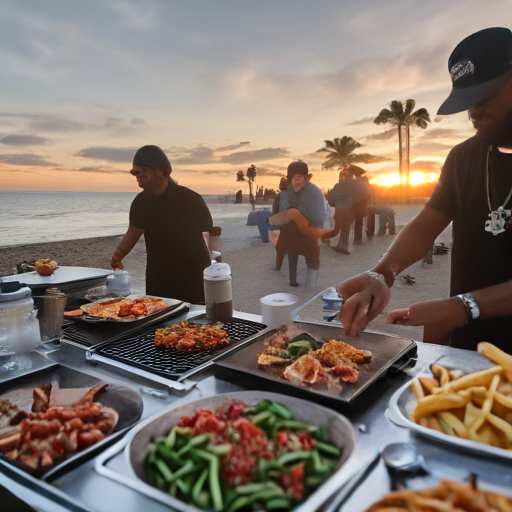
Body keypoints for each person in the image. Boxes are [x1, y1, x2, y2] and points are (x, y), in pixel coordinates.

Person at [335, 27, 512, 352]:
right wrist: (381, 274)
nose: (472, 113)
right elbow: (427, 224)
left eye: (483, 96)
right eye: (467, 101)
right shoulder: (463, 157)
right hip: (466, 349)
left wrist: (464, 306)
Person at [111, 145, 213, 303]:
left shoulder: (191, 199)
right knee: (159, 323)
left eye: (142, 171)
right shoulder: (141, 203)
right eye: (135, 172)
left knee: (195, 324)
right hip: (158, 279)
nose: (137, 175)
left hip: (193, 277)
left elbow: (207, 231)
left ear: (164, 170)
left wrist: (214, 267)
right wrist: (118, 255)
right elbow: (133, 232)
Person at [274, 160, 327, 289]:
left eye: (300, 177)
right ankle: (295, 282)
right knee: (295, 254)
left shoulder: (314, 192)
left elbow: (319, 215)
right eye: (293, 178)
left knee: (311, 258)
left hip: (307, 231)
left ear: (306, 177)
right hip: (292, 231)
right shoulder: (286, 193)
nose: (297, 181)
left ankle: (310, 286)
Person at [322, 168, 356, 253]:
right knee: (342, 229)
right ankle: (325, 237)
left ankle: (342, 245)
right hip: (347, 210)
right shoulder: (351, 186)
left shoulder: (337, 186)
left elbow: (330, 200)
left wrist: (336, 204)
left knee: (340, 229)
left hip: (341, 210)